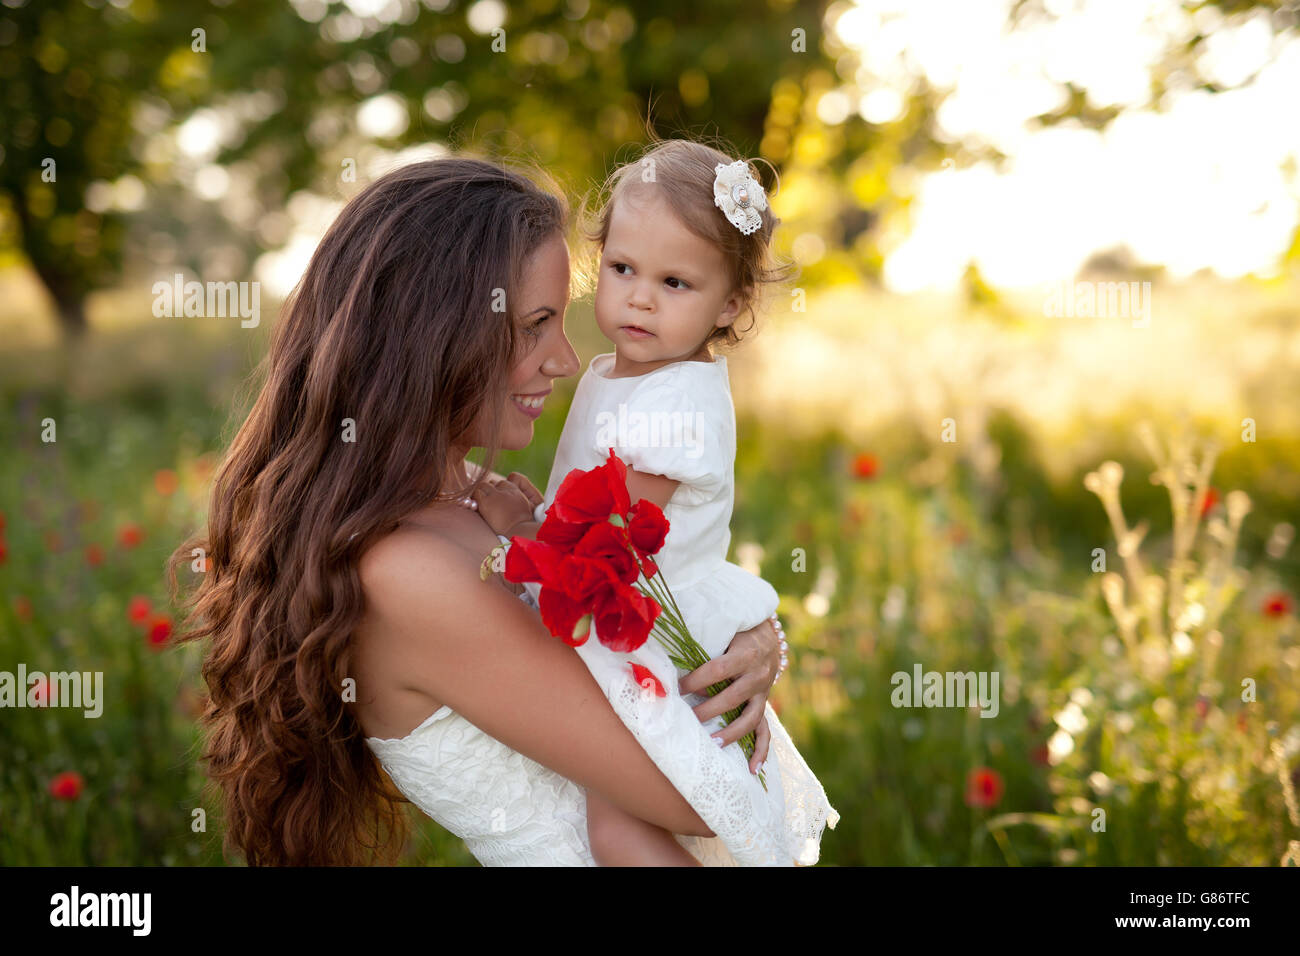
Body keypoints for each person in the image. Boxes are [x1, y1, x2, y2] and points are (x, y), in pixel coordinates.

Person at [168, 154, 786, 866]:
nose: (564, 358)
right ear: (433, 338)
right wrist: (735, 689)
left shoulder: (471, 496)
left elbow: (651, 582)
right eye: (534, 325)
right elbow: (698, 799)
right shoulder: (409, 571)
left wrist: (755, 639)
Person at [473, 138, 839, 866]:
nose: (640, 296)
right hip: (625, 605)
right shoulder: (620, 369)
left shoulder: (680, 403)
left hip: (646, 623)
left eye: (676, 283)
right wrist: (542, 510)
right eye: (622, 269)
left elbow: (606, 535)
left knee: (620, 827)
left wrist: (522, 524)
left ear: (730, 303)